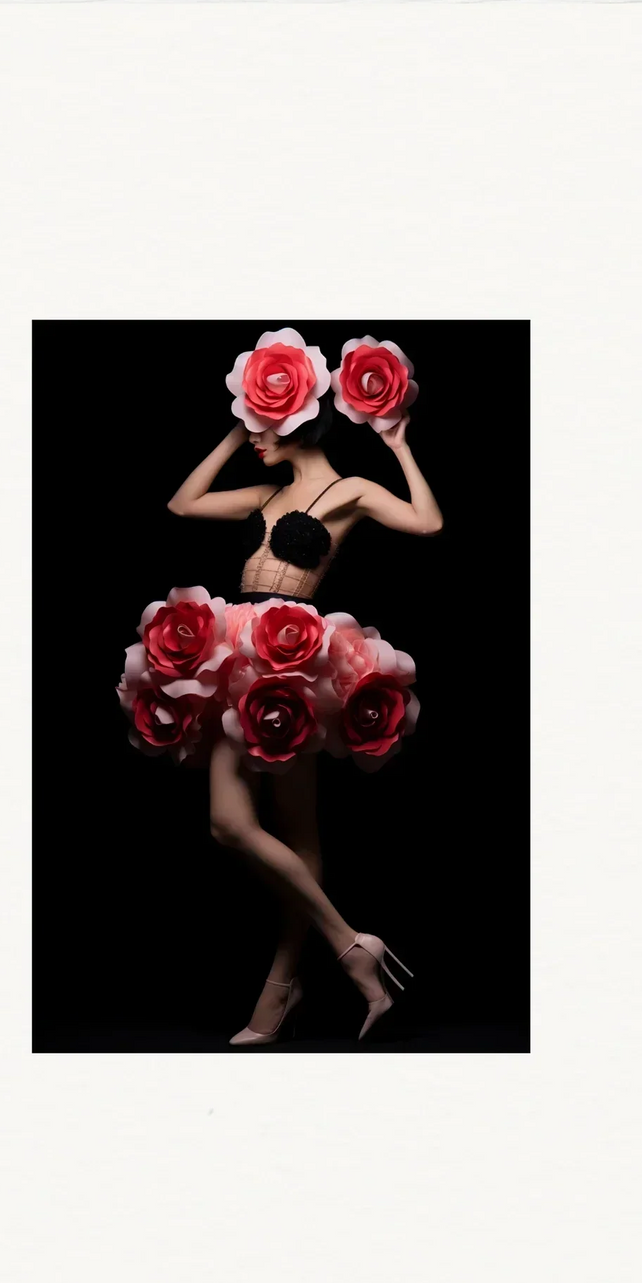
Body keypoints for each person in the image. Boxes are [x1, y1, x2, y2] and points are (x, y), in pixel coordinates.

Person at [118, 331, 443, 1044]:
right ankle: (350, 946)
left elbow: (427, 520)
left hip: (295, 658)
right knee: (233, 824)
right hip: (239, 650)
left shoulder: (349, 489)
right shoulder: (263, 491)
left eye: (261, 424)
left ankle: (279, 993)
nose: (254, 435)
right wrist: (237, 436)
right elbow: (182, 503)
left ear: (297, 421)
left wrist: (395, 444)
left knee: (292, 829)